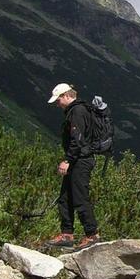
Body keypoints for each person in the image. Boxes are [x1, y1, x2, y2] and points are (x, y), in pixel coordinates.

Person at [45, 83, 100, 249]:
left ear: (66, 95)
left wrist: (67, 160)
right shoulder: (79, 110)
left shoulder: (77, 111)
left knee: (80, 198)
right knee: (65, 198)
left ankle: (92, 234)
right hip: (78, 159)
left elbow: (77, 140)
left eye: (58, 100)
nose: (57, 104)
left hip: (80, 161)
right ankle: (66, 234)